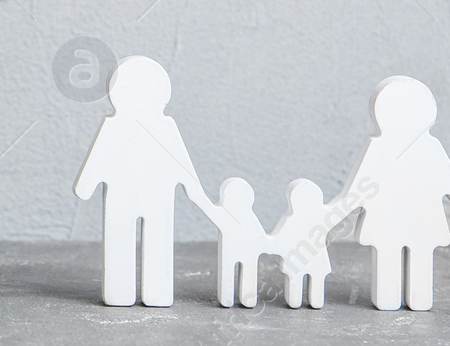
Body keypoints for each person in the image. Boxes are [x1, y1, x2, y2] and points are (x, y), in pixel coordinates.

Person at [74, 56, 213, 306]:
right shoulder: (120, 127)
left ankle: (141, 292)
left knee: (146, 241)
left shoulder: (159, 127)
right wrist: (194, 190)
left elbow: (179, 161)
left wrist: (86, 186)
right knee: (130, 240)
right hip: (133, 199)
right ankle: (134, 292)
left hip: (146, 199)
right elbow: (182, 166)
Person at [339, 76, 450, 310]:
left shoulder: (428, 147)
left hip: (413, 218)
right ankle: (394, 298)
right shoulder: (383, 147)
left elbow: (358, 189)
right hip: (394, 218)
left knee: (414, 253)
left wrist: (347, 205)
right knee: (393, 253)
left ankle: (413, 298)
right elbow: (361, 184)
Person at [202, 178, 268, 308]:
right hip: (237, 252)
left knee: (241, 273)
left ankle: (241, 299)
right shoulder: (243, 216)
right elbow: (261, 236)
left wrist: (197, 197)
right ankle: (237, 298)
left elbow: (208, 208)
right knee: (238, 273)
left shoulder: (244, 216)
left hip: (243, 252)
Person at [271, 178, 337, 309]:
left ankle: (309, 300)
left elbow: (279, 238)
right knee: (300, 279)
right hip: (303, 259)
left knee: (311, 278)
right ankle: (302, 300)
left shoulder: (319, 216)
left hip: (307, 259)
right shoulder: (319, 216)